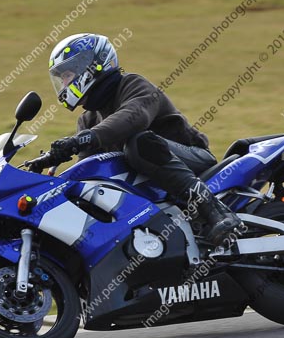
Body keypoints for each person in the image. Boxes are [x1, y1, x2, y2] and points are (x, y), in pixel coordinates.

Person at [46, 33, 242, 246]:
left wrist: (83, 139)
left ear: (92, 65)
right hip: (152, 180)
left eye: (67, 74)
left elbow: (132, 117)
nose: (65, 82)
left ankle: (215, 211)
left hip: (193, 161)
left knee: (139, 143)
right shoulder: (88, 119)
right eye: (62, 77)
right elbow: (87, 173)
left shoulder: (132, 85)